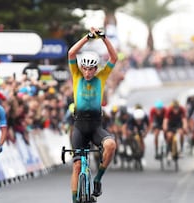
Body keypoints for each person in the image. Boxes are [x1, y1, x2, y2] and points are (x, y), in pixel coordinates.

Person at [68, 26, 117, 203]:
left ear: (96, 69)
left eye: (91, 69)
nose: (88, 73)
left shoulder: (102, 77)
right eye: (85, 69)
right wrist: (87, 38)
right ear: (81, 68)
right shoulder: (76, 75)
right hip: (79, 125)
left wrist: (103, 38)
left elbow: (114, 57)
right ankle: (75, 200)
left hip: (96, 125)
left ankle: (97, 179)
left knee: (111, 145)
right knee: (77, 165)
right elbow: (71, 53)